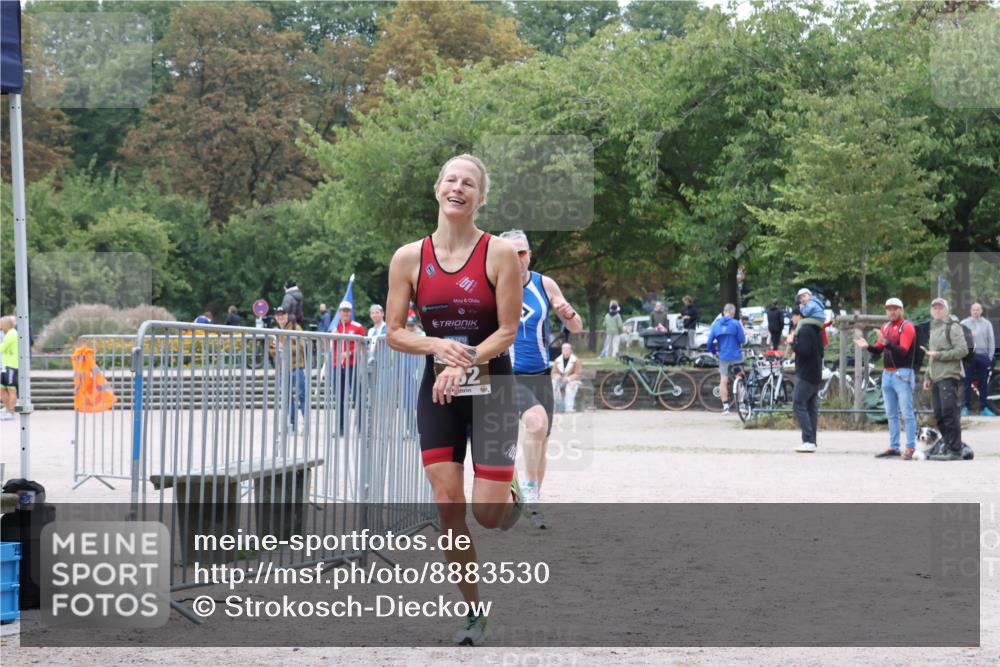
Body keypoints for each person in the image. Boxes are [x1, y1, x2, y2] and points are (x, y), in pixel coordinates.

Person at [385, 154, 523, 646]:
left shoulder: (500, 254)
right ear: (438, 189)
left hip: (492, 388)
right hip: (437, 391)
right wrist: (436, 347)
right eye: (451, 180)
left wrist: (462, 361)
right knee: (448, 504)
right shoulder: (408, 258)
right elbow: (395, 332)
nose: (458, 188)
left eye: (469, 183)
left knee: (488, 516)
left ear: (480, 197)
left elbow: (508, 330)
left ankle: (510, 494)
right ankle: (473, 611)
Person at [498, 229, 583, 530]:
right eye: (510, 252)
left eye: (521, 252)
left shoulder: (544, 284)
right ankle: (528, 490)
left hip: (541, 375)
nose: (517, 258)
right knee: (537, 425)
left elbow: (576, 324)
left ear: (529, 255)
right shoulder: (493, 284)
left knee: (541, 442)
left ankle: (532, 499)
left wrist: (567, 313)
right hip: (508, 375)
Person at [855, 297, 918, 459]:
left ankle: (910, 447)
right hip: (887, 373)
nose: (891, 311)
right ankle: (894, 446)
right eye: (889, 309)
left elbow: (903, 351)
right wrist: (867, 346)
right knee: (891, 413)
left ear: (901, 310)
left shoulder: (907, 327)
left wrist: (886, 342)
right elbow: (878, 349)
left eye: (895, 308)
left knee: (907, 413)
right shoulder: (886, 326)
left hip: (903, 373)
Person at [924, 298, 970, 460]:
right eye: (934, 307)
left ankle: (955, 451)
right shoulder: (934, 328)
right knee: (939, 415)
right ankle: (949, 445)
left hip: (949, 375)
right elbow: (931, 356)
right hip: (936, 377)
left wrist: (940, 355)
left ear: (947, 310)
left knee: (950, 414)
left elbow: (963, 350)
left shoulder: (953, 327)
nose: (937, 310)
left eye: (940, 307)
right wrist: (927, 376)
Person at [787, 307, 823, 453]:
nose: (791, 320)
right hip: (815, 373)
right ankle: (811, 441)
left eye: (793, 316)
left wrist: (792, 342)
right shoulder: (816, 330)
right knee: (811, 408)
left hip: (806, 373)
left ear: (801, 316)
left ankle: (808, 439)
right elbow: (820, 351)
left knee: (798, 404)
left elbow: (804, 351)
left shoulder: (805, 330)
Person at [268, 307, 306, 436]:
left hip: (297, 368)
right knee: (286, 399)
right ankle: (292, 426)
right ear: (275, 317)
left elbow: (301, 347)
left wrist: (284, 348)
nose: (280, 317)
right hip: (282, 370)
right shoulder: (275, 331)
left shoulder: (296, 328)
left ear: (286, 316)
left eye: (282, 315)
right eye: (278, 315)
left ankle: (305, 425)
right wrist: (276, 350)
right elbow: (271, 350)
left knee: (302, 396)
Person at [332, 300, 366, 435]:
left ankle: (361, 429)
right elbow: (326, 345)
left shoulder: (358, 327)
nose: (345, 313)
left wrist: (351, 353)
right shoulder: (334, 328)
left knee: (358, 397)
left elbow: (364, 347)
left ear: (350, 312)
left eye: (347, 311)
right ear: (339, 312)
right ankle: (340, 429)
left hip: (354, 366)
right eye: (343, 311)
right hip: (338, 367)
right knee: (339, 398)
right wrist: (331, 336)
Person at [706, 303, 746, 415]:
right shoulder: (736, 323)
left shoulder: (716, 325)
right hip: (736, 356)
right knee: (740, 378)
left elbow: (709, 343)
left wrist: (714, 352)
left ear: (724, 312)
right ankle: (742, 404)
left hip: (723, 356)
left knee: (723, 380)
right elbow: (742, 339)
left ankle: (726, 407)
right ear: (733, 313)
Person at [962, 300, 996, 416]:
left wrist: (990, 357)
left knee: (983, 383)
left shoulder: (987, 324)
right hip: (968, 356)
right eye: (973, 310)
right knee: (966, 382)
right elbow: (959, 339)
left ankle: (983, 408)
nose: (975, 311)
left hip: (983, 357)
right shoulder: (964, 323)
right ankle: (965, 407)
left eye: (978, 309)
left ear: (981, 311)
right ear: (970, 311)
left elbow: (991, 341)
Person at [552, 342, 583, 413]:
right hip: (560, 380)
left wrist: (569, 379)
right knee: (552, 384)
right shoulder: (557, 360)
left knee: (571, 386)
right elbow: (553, 373)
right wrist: (557, 376)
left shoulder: (576, 360)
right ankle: (554, 407)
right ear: (561, 350)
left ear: (570, 350)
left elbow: (578, 373)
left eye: (567, 348)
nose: (565, 350)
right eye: (564, 348)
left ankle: (568, 408)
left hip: (573, 380)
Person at [0, 317, 18, 421]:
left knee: (11, 389)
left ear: (7, 324)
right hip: (5, 365)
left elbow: (1, 348)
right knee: (2, 389)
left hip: (11, 365)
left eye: (1, 323)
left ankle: (11, 412)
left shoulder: (11, 334)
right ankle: (7, 411)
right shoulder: (8, 334)